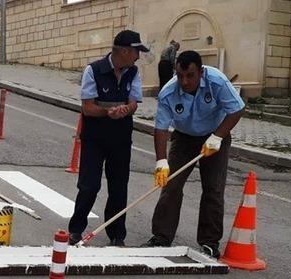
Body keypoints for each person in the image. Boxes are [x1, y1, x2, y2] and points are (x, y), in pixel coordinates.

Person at [142, 50, 245, 258]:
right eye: (180, 75)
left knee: (213, 189)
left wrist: (217, 137)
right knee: (171, 184)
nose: (184, 81)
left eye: (190, 76)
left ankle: (209, 242)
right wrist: (161, 161)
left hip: (216, 135)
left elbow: (236, 109)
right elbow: (161, 128)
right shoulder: (168, 93)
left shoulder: (217, 81)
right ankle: (161, 237)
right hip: (184, 137)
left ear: (201, 72)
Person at [67, 30, 148, 247]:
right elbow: (88, 107)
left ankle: (117, 234)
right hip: (95, 137)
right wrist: (109, 112)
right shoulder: (93, 71)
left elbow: (134, 102)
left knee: (119, 186)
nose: (138, 57)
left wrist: (127, 109)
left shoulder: (134, 72)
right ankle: (76, 230)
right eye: (136, 52)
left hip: (121, 138)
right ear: (124, 51)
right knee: (89, 185)